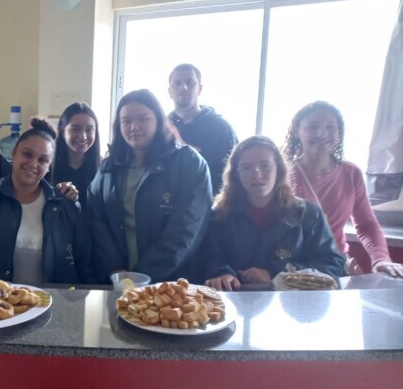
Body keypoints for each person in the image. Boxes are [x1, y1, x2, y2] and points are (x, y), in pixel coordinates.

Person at [85, 89, 212, 283]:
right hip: (118, 281)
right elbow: (97, 222)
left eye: (143, 119)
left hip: (172, 285)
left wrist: (142, 276)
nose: (134, 127)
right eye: (126, 121)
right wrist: (116, 270)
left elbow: (185, 229)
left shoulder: (189, 162)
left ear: (159, 121)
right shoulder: (108, 168)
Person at [0, 118, 93, 285]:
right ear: (14, 153)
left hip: (52, 300)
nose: (33, 164)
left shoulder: (65, 205)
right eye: (27, 154)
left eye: (42, 160)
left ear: (49, 166)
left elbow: (85, 263)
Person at [201, 135, 345, 291]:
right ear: (236, 174)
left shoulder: (308, 214)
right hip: (234, 298)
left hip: (292, 302)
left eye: (265, 166)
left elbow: (331, 264)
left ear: (279, 169)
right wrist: (221, 273)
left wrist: (277, 273)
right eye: (246, 168)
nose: (257, 174)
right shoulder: (219, 215)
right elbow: (208, 258)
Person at [283, 101, 403, 277]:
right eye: (312, 127)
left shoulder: (351, 173)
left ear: (339, 132)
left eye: (330, 127)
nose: (321, 133)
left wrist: (381, 259)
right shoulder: (281, 173)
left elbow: (366, 224)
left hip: (334, 267)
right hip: (289, 268)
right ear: (296, 131)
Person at [167, 63, 238, 196]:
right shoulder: (161, 129)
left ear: (200, 89)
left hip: (212, 203)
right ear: (169, 91)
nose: (183, 87)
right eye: (177, 83)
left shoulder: (221, 128)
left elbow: (234, 173)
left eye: (190, 83)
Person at [51, 102, 101, 207]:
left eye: (89, 130)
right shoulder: (47, 166)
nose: (83, 137)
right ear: (62, 131)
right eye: (75, 129)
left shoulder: (104, 169)